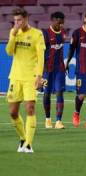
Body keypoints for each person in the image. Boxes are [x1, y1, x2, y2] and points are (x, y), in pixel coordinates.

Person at [6, 8, 45, 153]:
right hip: (15, 77)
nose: (17, 23)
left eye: (19, 20)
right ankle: (22, 138)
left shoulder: (37, 34)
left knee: (30, 108)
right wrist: (13, 36)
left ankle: (29, 144)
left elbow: (41, 57)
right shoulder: (14, 32)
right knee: (13, 113)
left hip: (31, 77)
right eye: (15, 21)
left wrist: (39, 76)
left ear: (26, 19)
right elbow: (9, 52)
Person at [42, 12, 67, 129]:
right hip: (47, 69)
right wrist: (41, 70)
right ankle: (48, 119)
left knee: (59, 93)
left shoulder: (63, 32)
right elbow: (41, 52)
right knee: (46, 94)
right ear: (53, 20)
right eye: (59, 21)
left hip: (59, 69)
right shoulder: (45, 33)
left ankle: (58, 121)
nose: (61, 24)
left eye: (62, 21)